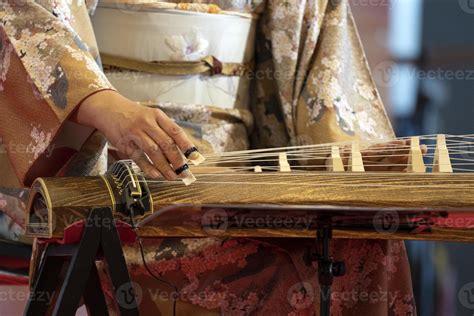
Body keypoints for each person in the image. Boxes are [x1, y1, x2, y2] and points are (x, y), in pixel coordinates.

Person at [0, 0, 416, 315]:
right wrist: (103, 105)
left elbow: (319, 54)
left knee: (363, 242)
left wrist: (355, 162)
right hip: (120, 174)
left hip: (238, 175)